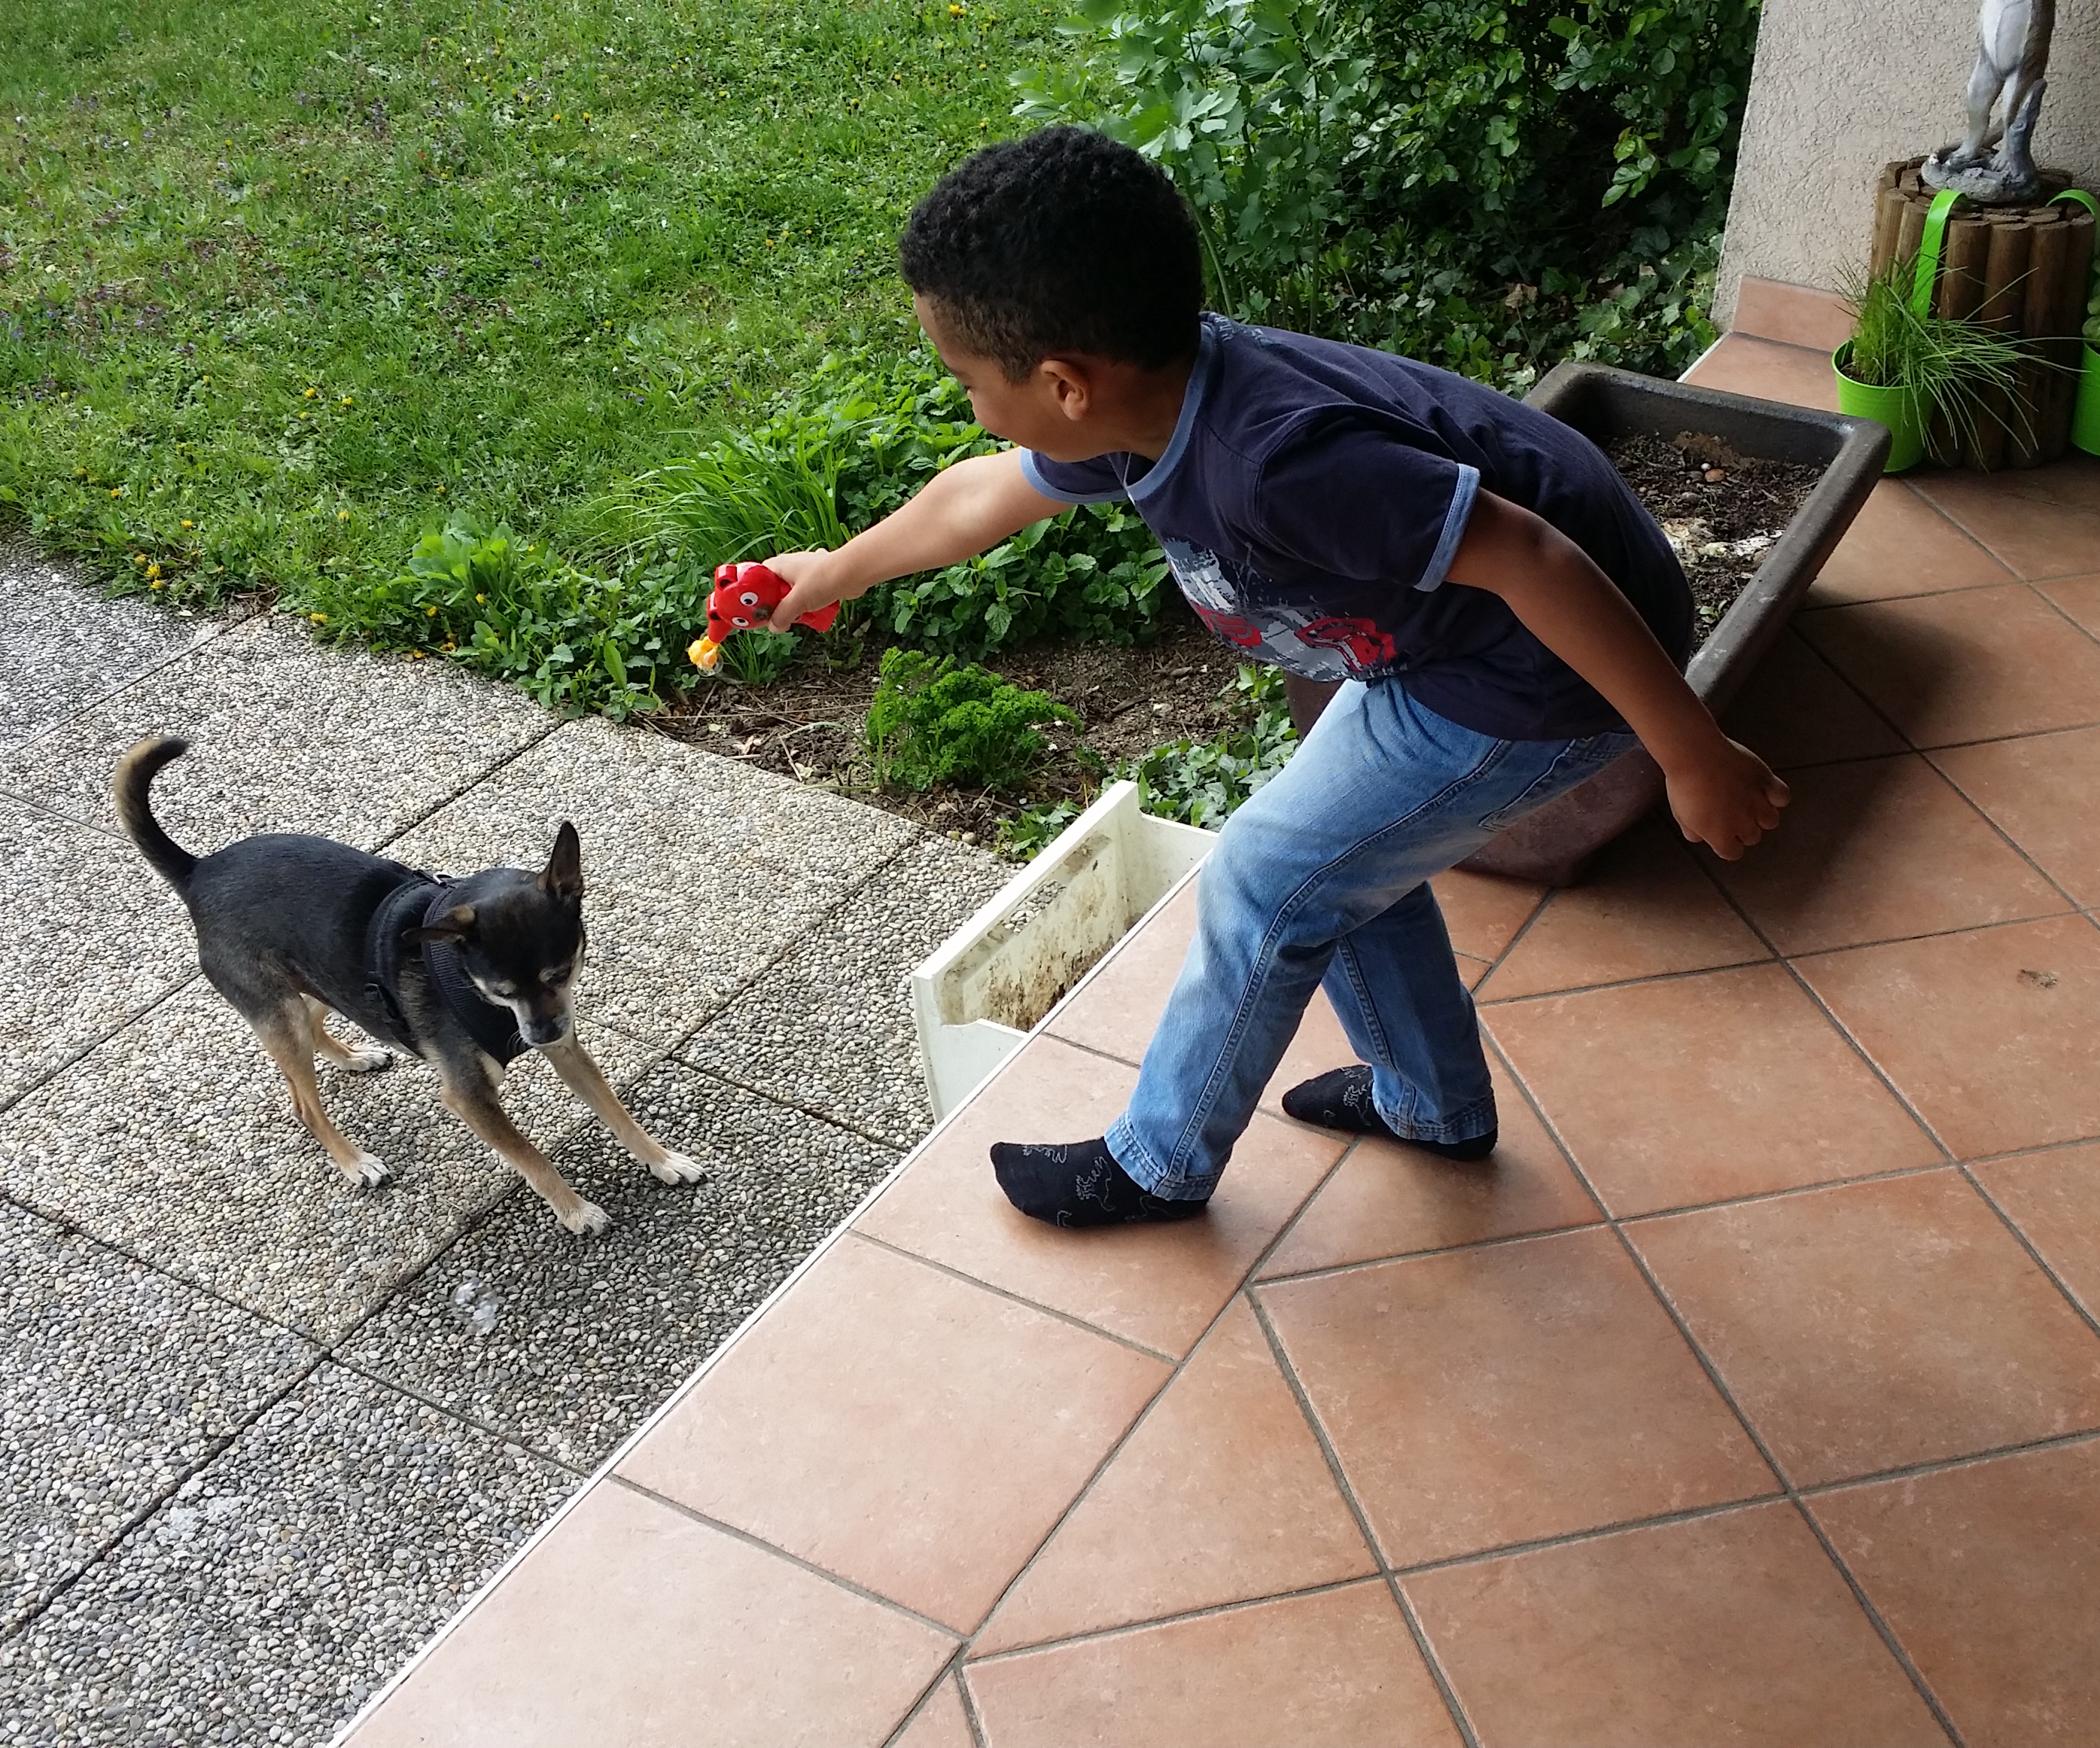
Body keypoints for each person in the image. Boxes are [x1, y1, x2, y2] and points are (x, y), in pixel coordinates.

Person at [746, 126, 1789, 1228]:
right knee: (1336, 856)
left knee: (1265, 874)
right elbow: (986, 493)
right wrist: (831, 574)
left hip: (1538, 673)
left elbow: (1533, 558)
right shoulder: (1145, 396)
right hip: (1463, 640)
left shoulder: (1276, 464)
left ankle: (1157, 1163)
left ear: (1063, 383)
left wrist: (1692, 753)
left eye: (964, 378)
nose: (965, 400)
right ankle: (1433, 1105)